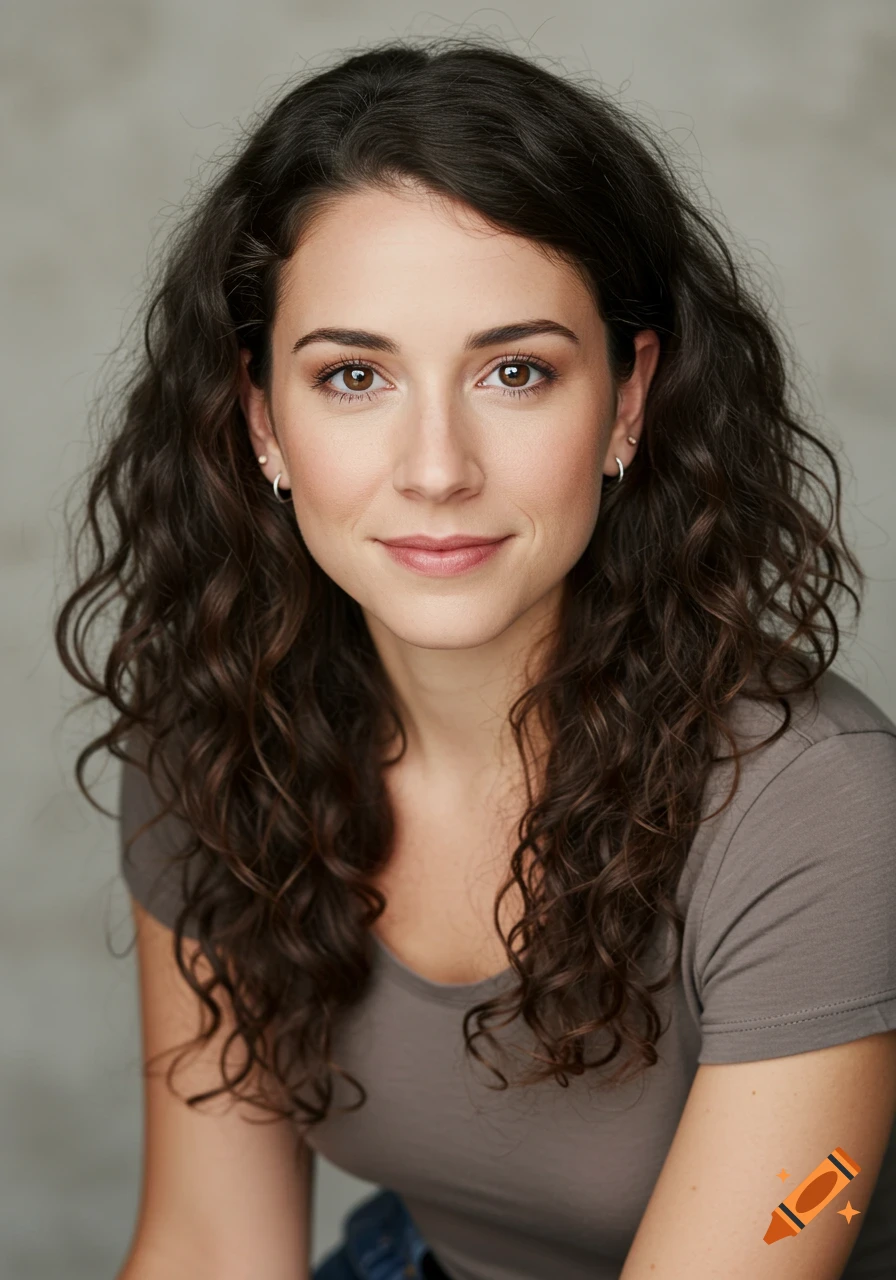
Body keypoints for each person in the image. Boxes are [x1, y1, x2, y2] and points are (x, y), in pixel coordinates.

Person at [54, 35, 896, 1280]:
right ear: (259, 421)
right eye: (352, 376)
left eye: (514, 371)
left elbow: (794, 1218)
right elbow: (210, 1241)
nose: (436, 468)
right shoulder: (219, 747)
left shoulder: (812, 802)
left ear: (622, 399)